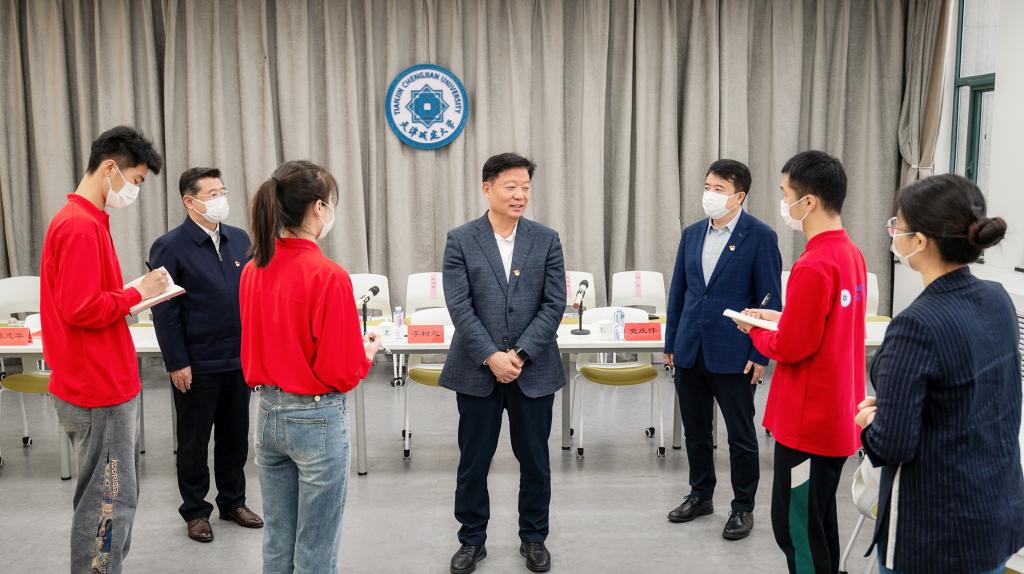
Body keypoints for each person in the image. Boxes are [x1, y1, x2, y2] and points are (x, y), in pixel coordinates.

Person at [854, 174, 1024, 574]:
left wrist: (870, 421)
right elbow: (983, 399)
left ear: (919, 241)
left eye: (896, 224)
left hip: (936, 534)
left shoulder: (915, 325)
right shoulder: (998, 300)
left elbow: (891, 446)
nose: (892, 233)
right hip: (995, 513)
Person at [239, 160, 380, 573]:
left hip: (267, 412)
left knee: (278, 536)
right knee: (316, 545)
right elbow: (340, 371)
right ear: (319, 207)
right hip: (316, 417)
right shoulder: (328, 275)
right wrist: (365, 355)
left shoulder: (252, 270)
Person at [40, 126, 168, 573]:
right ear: (111, 168)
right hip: (98, 389)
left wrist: (132, 294)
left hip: (99, 382)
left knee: (110, 498)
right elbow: (81, 307)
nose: (134, 191)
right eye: (135, 180)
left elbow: (90, 300)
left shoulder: (87, 220)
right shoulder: (79, 226)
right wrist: (137, 294)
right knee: (107, 504)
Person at [733, 150, 866, 573]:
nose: (783, 203)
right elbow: (824, 326)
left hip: (808, 424)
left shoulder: (814, 263)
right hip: (837, 416)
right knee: (819, 521)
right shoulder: (850, 254)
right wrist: (781, 317)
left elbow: (792, 347)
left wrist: (754, 330)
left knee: (796, 529)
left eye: (785, 193)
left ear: (808, 201)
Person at [441, 153, 566, 574]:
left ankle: (534, 537)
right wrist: (491, 355)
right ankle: (471, 540)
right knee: (473, 462)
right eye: (511, 186)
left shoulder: (546, 239)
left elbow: (554, 303)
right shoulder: (461, 239)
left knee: (536, 461)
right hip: (477, 370)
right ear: (487, 188)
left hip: (534, 370)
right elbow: (459, 306)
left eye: (526, 187)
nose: (520, 195)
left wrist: (521, 353)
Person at [664, 159, 782, 540]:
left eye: (719, 189)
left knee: (740, 436)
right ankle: (701, 495)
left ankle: (743, 506)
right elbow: (679, 292)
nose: (710, 195)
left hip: (735, 353)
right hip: (690, 350)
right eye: (707, 187)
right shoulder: (692, 234)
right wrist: (671, 342)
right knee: (696, 431)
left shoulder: (760, 236)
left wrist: (760, 354)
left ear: (739, 196)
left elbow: (770, 301)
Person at [149, 167, 263, 543]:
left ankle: (233, 502)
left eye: (222, 191)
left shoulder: (239, 238)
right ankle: (196, 510)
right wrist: (177, 362)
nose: (221, 199)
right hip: (196, 363)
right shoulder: (169, 246)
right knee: (194, 442)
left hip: (237, 359)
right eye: (212, 194)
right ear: (189, 200)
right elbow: (164, 311)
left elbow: (252, 296)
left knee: (235, 438)